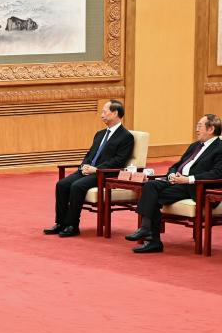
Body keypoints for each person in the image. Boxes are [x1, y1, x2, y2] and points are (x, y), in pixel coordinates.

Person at [126, 114, 222, 253]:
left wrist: (188, 179)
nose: (196, 129)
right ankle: (147, 230)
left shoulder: (219, 148)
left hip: (196, 187)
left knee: (153, 198)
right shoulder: (195, 146)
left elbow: (217, 173)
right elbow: (177, 165)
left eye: (199, 126)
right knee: (150, 186)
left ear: (211, 129)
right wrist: (171, 174)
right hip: (178, 183)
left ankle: (152, 238)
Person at [45, 100, 134, 237]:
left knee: (77, 186)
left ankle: (72, 225)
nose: (101, 115)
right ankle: (60, 223)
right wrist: (85, 166)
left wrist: (96, 169)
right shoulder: (100, 134)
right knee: (61, 184)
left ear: (115, 113)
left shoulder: (126, 137)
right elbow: (90, 154)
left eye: (104, 112)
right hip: (89, 171)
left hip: (105, 174)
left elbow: (118, 161)